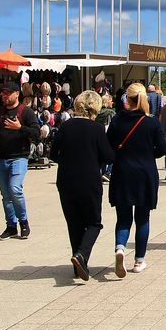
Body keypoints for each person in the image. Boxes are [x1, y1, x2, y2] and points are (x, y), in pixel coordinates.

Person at [50, 90, 115, 281]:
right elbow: (108, 156)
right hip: (89, 180)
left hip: (66, 179)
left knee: (74, 223)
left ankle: (79, 266)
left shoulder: (66, 126)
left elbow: (53, 154)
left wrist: (68, 159)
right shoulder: (96, 128)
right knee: (94, 223)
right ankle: (81, 255)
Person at [107, 83, 166, 276]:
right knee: (142, 218)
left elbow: (108, 147)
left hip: (122, 171)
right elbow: (162, 149)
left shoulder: (117, 120)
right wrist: (148, 153)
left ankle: (120, 248)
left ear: (127, 99)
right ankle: (139, 260)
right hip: (145, 172)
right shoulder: (152, 123)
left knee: (123, 218)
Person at [0, 80, 41, 240]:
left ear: (17, 94)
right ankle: (11, 226)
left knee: (15, 189)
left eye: (8, 93)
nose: (4, 96)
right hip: (1, 158)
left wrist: (20, 128)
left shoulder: (26, 112)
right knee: (6, 195)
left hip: (19, 158)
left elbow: (36, 134)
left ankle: (24, 221)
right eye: (3, 93)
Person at [96, 93, 116, 183]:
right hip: (108, 134)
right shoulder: (111, 112)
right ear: (107, 102)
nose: (112, 102)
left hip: (99, 134)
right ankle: (108, 173)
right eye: (111, 101)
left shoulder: (97, 112)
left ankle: (102, 173)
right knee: (113, 154)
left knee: (102, 155)